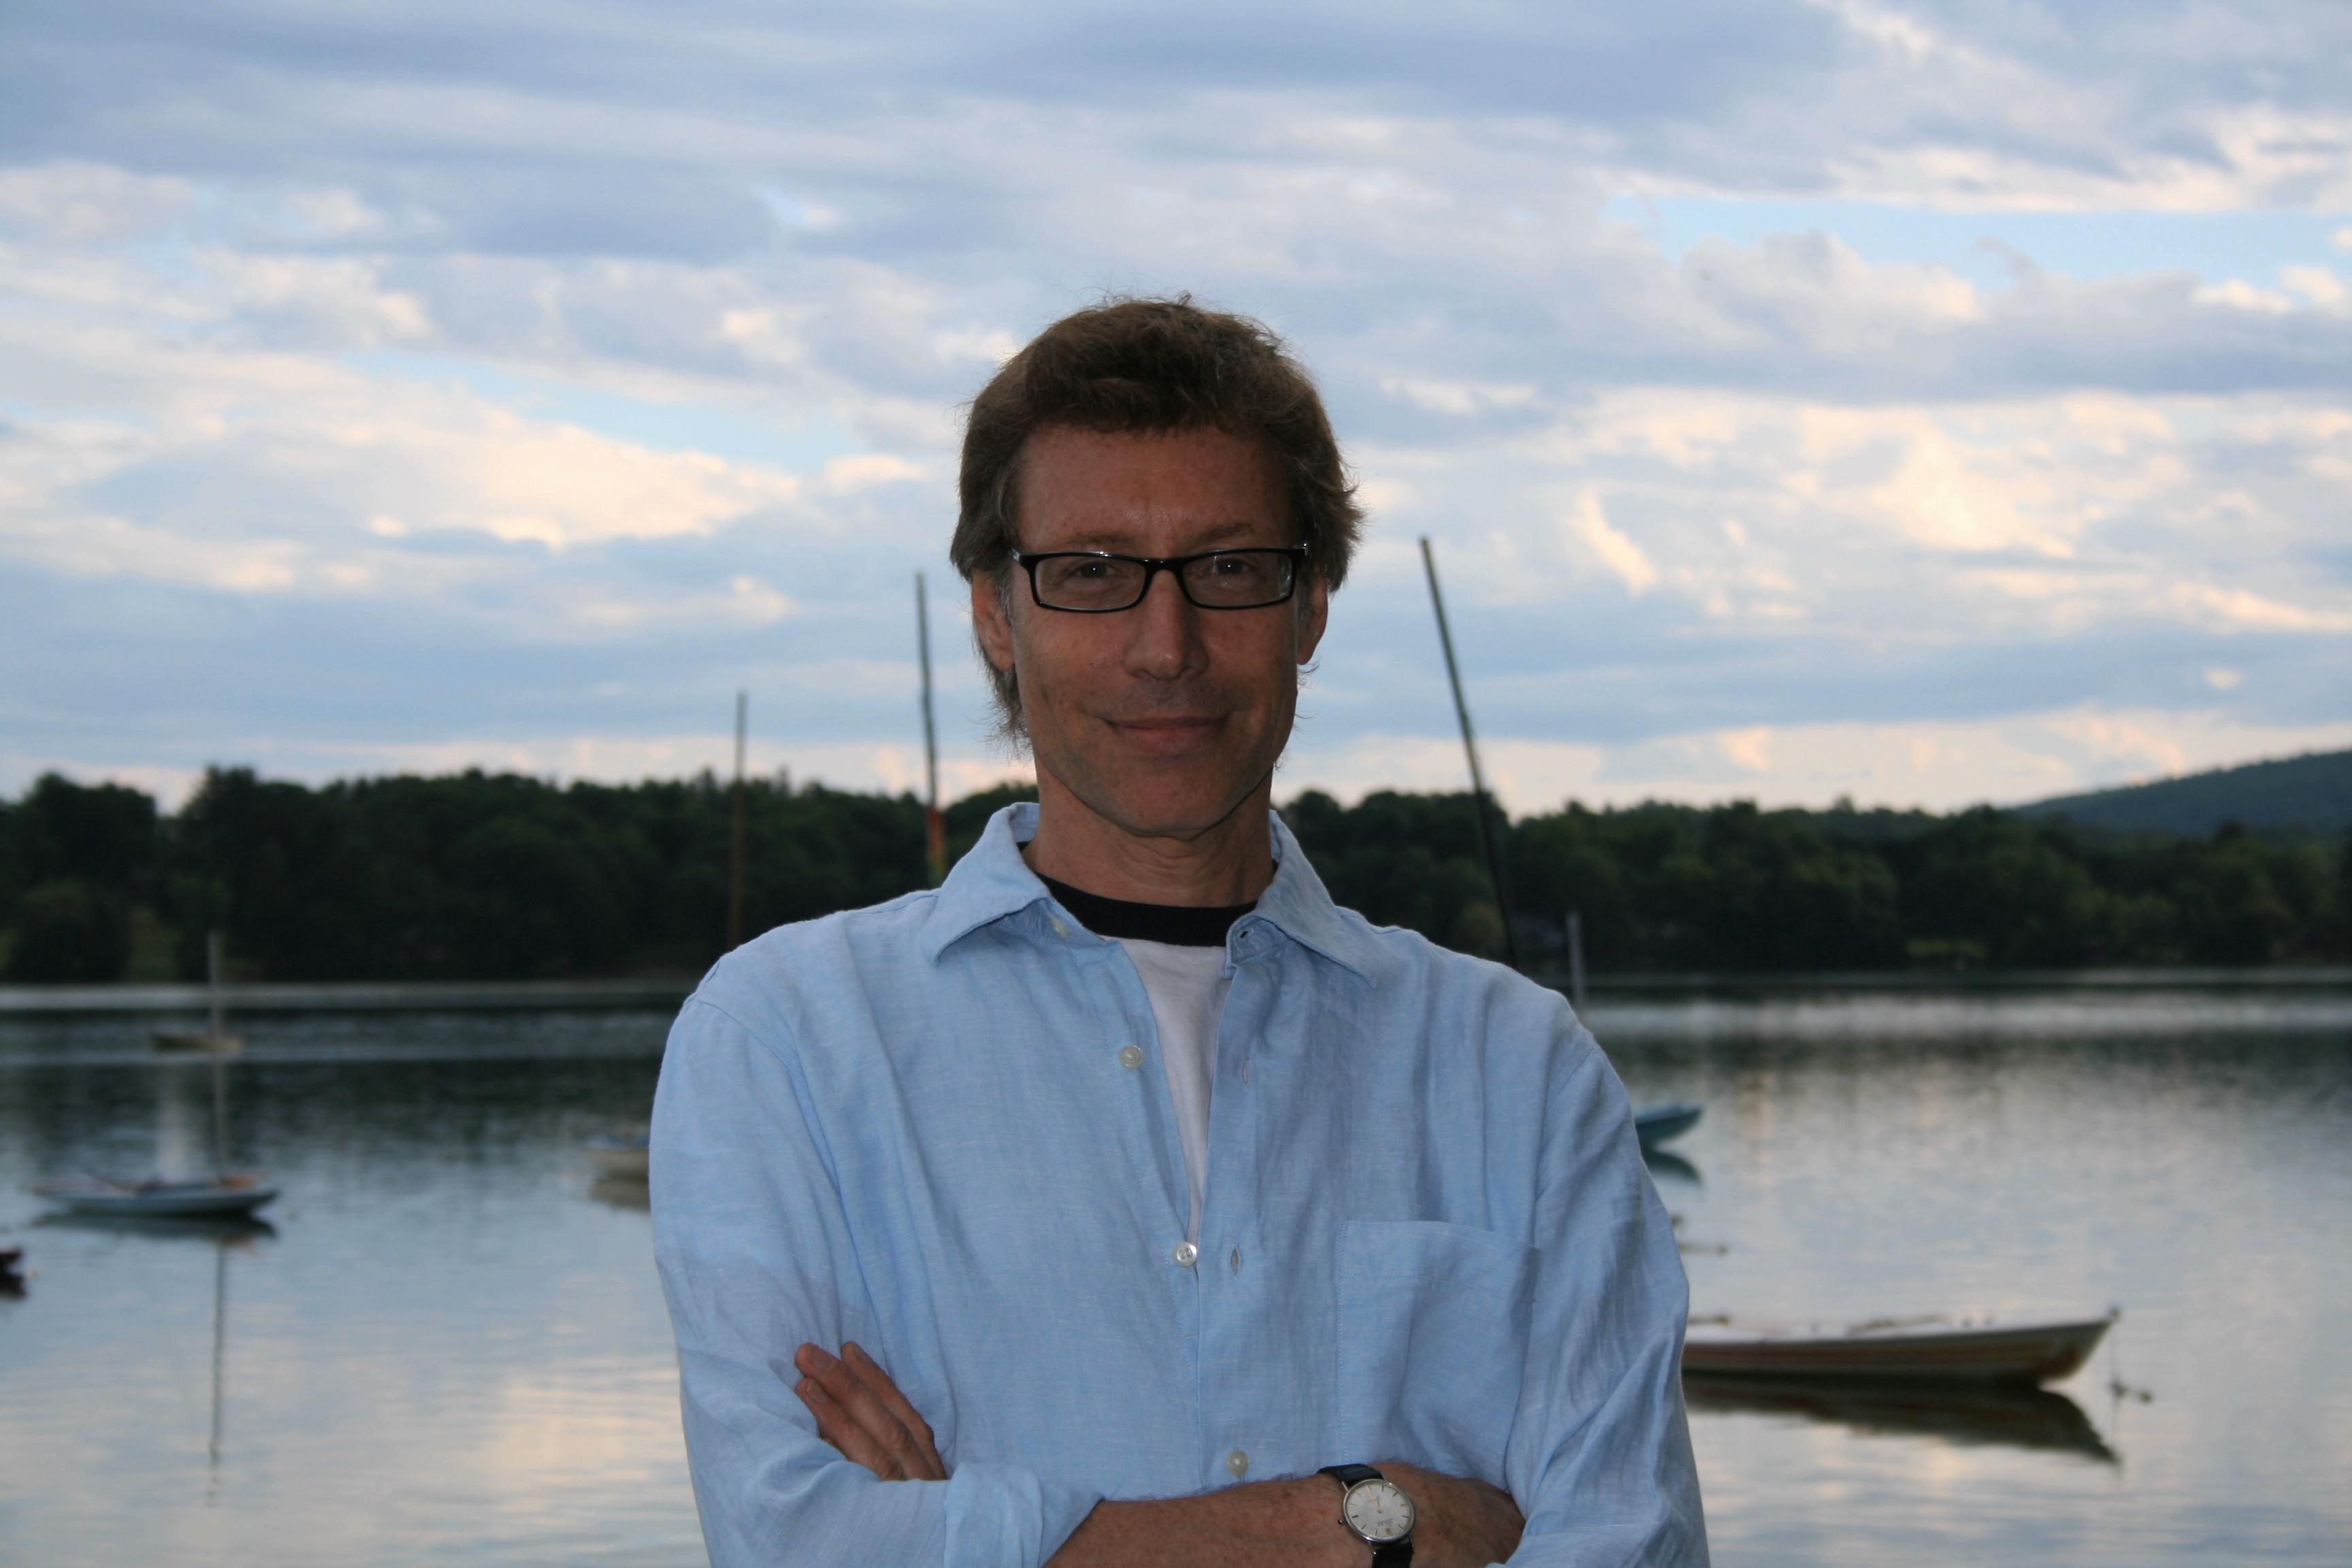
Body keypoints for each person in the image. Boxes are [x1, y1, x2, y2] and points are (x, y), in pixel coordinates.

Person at [650, 298, 1707, 1567]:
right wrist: (1350, 1526)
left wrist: (976, 1534)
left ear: (1311, 607)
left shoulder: (1519, 1069)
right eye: (1093, 572)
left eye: (1230, 568)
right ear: (995, 612)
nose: (1168, 647)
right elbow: (797, 1541)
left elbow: (1632, 1545)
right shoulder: (788, 1042)